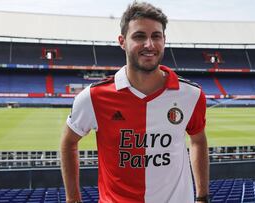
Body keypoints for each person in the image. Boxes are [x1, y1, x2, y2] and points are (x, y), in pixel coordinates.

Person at [60, 1, 210, 203]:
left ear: (164, 40)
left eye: (156, 36)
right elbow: (69, 142)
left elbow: (198, 140)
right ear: (122, 41)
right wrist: (73, 199)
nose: (149, 44)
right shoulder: (93, 97)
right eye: (139, 36)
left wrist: (202, 196)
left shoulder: (191, 95)